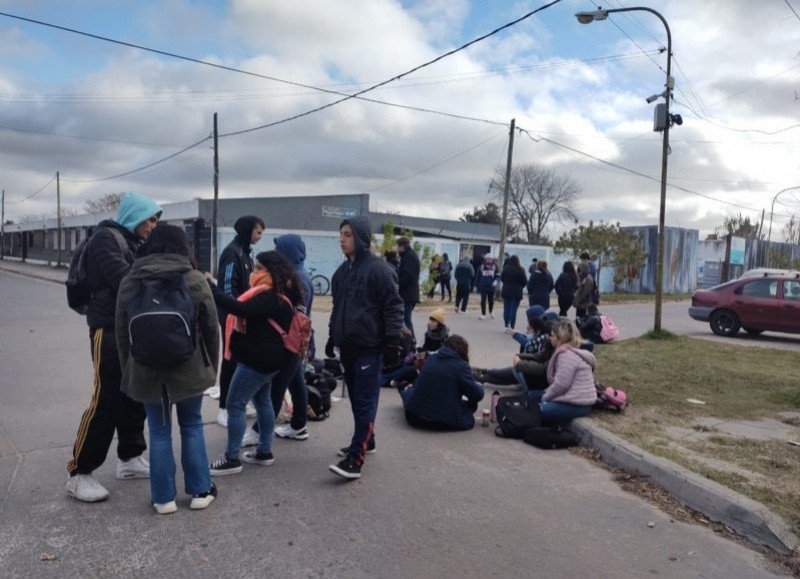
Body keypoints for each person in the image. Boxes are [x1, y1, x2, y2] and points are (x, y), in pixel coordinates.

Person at [115, 224, 218, 514]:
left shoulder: (130, 280)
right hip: (190, 368)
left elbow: (122, 333)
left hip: (146, 370)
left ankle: (163, 499)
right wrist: (211, 368)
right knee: (192, 425)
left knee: (159, 432)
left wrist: (129, 370)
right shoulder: (195, 279)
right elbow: (211, 328)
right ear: (184, 247)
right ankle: (199, 492)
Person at [66, 192, 161, 503]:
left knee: (133, 394)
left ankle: (130, 457)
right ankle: (79, 473)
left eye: (157, 218)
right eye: (150, 218)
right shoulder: (105, 239)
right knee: (105, 398)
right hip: (106, 328)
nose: (154, 224)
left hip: (128, 329)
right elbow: (125, 280)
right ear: (134, 216)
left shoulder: (132, 242)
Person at [206, 251, 301, 476]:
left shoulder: (270, 296)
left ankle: (231, 458)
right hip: (270, 360)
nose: (253, 273)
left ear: (271, 272)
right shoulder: (278, 293)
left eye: (258, 268)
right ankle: (264, 452)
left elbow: (239, 309)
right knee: (263, 403)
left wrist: (212, 288)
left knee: (235, 404)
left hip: (257, 361)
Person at [327, 216, 404, 480]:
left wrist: (393, 341)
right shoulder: (341, 273)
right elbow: (337, 307)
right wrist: (331, 336)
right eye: (340, 234)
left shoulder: (379, 270)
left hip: (370, 348)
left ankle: (355, 459)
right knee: (358, 402)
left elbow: (394, 306)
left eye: (347, 234)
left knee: (364, 402)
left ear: (360, 237)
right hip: (347, 347)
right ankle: (367, 441)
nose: (342, 239)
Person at [215, 216, 265, 428]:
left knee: (241, 361)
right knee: (230, 360)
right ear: (246, 230)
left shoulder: (246, 252)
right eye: (258, 232)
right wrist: (235, 314)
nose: (259, 237)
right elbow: (227, 288)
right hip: (231, 316)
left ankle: (240, 402)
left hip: (242, 314)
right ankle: (224, 408)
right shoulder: (232, 252)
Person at [270, 234, 314, 442]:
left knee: (278, 385)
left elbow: (297, 314)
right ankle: (298, 425)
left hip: (292, 341)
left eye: (279, 249)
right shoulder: (295, 274)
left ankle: (261, 430)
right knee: (296, 383)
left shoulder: (298, 279)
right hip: (295, 341)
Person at [399, 335, 484, 431]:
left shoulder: (431, 358)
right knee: (471, 406)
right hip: (442, 422)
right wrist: (478, 386)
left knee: (409, 391)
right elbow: (477, 394)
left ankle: (406, 389)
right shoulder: (461, 366)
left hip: (414, 417)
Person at [527, 319, 597, 425]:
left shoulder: (566, 355)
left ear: (560, 338)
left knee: (535, 410)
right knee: (531, 395)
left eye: (552, 336)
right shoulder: (570, 351)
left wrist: (545, 398)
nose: (550, 338)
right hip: (571, 397)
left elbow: (561, 385)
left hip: (576, 404)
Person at [381, 308, 449, 388]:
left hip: (432, 364)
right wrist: (417, 353)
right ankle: (387, 378)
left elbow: (442, 353)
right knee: (403, 364)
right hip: (420, 359)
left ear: (440, 323)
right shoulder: (427, 334)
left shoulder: (446, 337)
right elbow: (420, 346)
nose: (431, 323)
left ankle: (383, 380)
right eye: (430, 320)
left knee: (409, 369)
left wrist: (426, 355)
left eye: (434, 321)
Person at [396, 236, 420, 339]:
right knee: (405, 320)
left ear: (402, 247)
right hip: (408, 293)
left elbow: (408, 276)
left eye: (397, 246)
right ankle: (410, 343)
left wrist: (397, 284)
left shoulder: (409, 257)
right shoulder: (408, 255)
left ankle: (412, 343)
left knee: (406, 321)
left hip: (407, 294)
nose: (396, 248)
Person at [501, 255, 527, 330]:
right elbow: (525, 281)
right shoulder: (521, 269)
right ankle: (512, 326)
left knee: (506, 308)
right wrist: (519, 286)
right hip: (517, 291)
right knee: (513, 309)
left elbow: (502, 278)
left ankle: (506, 325)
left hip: (506, 291)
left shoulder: (506, 269)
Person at [474, 254, 499, 320]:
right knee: (483, 300)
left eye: (490, 259)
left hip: (491, 286)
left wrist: (496, 281)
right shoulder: (481, 267)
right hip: (483, 286)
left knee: (491, 300)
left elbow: (498, 275)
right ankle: (483, 314)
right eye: (487, 259)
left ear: (492, 260)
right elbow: (477, 276)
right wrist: (475, 286)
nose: (489, 260)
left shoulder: (495, 267)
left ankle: (491, 311)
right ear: (485, 260)